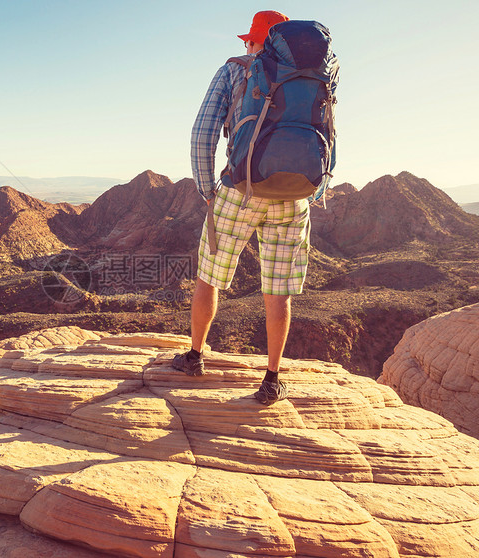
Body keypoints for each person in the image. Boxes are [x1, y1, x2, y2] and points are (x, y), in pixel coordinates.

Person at [173, 10, 311, 406]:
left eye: (248, 40)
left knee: (209, 276)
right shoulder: (307, 76)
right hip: (294, 195)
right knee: (279, 290)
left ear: (256, 41)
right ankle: (271, 379)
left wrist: (207, 190)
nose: (244, 46)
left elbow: (203, 132)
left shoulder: (235, 70)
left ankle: (196, 357)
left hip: (241, 189)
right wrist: (315, 192)